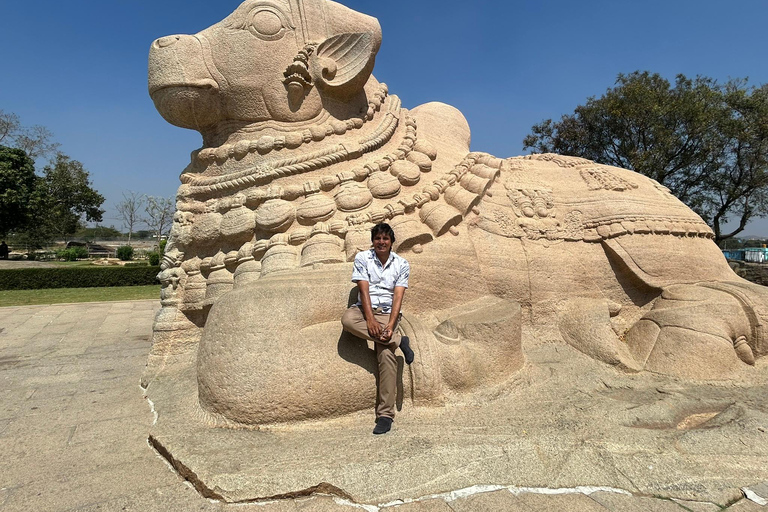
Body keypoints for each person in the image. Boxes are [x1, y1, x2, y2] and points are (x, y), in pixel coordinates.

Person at [341, 223, 414, 435]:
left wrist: (390, 325)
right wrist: (370, 320)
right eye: (377, 239)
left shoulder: (401, 264)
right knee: (347, 319)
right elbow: (363, 290)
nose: (381, 242)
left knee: (386, 356)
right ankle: (400, 341)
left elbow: (398, 297)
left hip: (387, 313)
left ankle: (385, 415)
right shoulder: (363, 258)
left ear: (391, 242)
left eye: (385, 239)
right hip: (363, 311)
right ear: (373, 241)